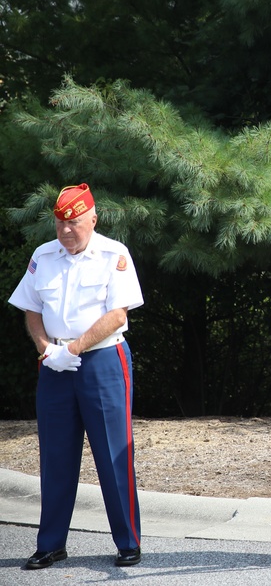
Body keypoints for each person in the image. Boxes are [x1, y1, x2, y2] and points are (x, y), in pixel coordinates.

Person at [8, 183, 145, 570]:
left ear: (93, 219)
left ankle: (127, 542)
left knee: (113, 453)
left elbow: (118, 314)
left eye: (75, 223)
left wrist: (73, 348)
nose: (66, 231)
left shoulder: (114, 254)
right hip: (54, 363)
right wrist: (46, 348)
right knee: (55, 456)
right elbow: (30, 308)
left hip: (102, 360)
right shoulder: (43, 255)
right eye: (60, 223)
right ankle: (50, 543)